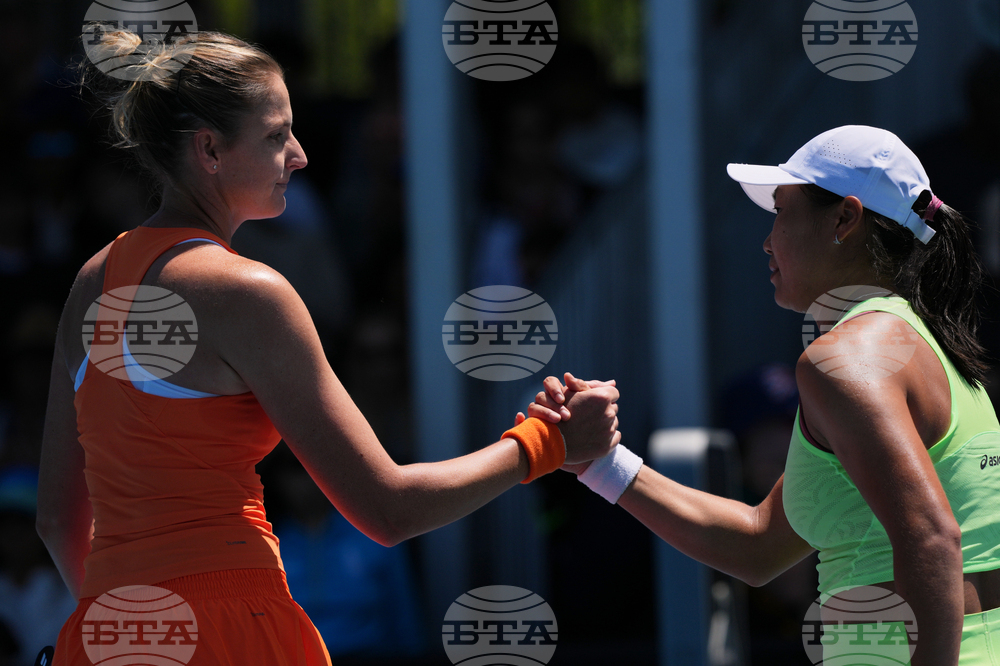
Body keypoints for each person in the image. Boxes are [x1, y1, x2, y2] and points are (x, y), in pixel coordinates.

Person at [36, 31, 622, 665]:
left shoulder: (92, 280)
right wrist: (548, 444)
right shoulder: (248, 292)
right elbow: (387, 509)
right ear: (208, 149)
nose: (300, 155)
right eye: (275, 135)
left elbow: (57, 520)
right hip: (232, 628)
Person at [523, 126, 1000, 666]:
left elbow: (933, 541)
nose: (768, 239)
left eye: (781, 210)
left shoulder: (844, 360)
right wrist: (600, 463)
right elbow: (758, 547)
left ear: (845, 218)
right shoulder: (926, 343)